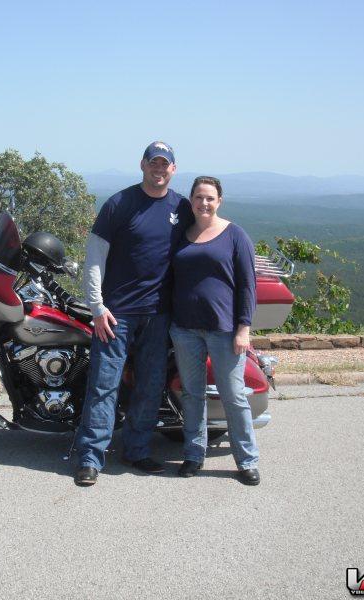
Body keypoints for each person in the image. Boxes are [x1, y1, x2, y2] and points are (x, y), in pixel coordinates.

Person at [73, 141, 193, 486]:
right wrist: (97, 306)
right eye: (153, 162)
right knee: (103, 385)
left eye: (165, 164)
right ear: (142, 165)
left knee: (149, 387)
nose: (159, 168)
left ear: (173, 169)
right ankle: (90, 458)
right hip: (116, 315)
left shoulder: (181, 207)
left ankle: (136, 450)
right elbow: (95, 257)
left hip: (159, 315)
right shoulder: (119, 204)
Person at [169, 176, 260, 485]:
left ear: (219, 201)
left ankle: (246, 460)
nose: (204, 203)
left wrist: (243, 329)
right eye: (199, 197)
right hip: (184, 329)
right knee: (192, 395)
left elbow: (248, 286)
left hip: (224, 329)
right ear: (191, 201)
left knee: (233, 395)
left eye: (210, 198)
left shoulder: (235, 235)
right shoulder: (182, 234)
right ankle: (194, 456)